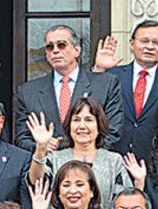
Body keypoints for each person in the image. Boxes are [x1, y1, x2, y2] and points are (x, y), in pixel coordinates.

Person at [14, 24, 123, 152]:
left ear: (77, 50)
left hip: (91, 167)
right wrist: (41, 147)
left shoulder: (106, 84)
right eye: (49, 47)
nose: (55, 50)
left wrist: (85, 156)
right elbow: (21, 139)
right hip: (47, 167)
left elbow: (113, 132)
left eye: (61, 45)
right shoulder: (28, 92)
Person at [26, 97, 136, 204]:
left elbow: (124, 202)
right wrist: (40, 148)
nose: (82, 126)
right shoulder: (54, 159)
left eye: (88, 120)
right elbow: (36, 183)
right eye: (76, 120)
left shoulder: (113, 161)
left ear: (99, 126)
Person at [92, 20, 158, 160]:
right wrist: (99, 70)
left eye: (156, 42)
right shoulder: (112, 75)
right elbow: (91, 106)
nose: (150, 47)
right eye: (144, 41)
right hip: (112, 158)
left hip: (154, 163)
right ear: (131, 43)